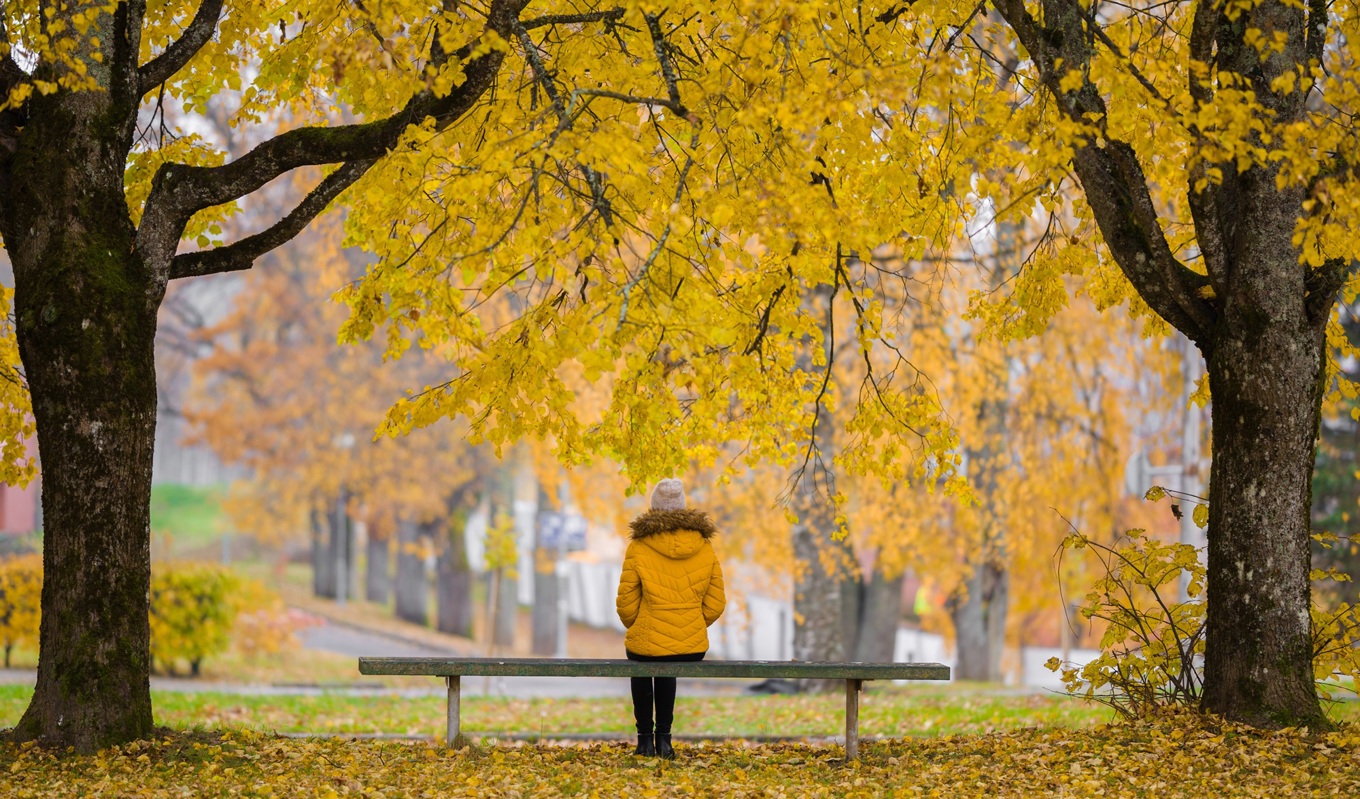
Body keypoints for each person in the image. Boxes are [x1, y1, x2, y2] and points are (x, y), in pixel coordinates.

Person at [615, 478, 726, 759]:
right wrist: (691, 623)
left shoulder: (639, 546)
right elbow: (716, 604)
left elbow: (626, 602)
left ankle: (644, 741)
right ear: (683, 507)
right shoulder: (704, 546)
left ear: (654, 507)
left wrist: (638, 624)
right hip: (691, 646)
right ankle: (664, 740)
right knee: (670, 655)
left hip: (647, 643)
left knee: (642, 656)